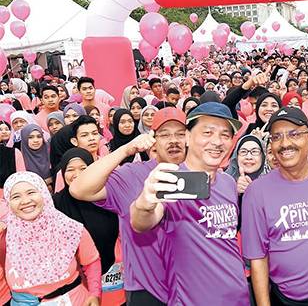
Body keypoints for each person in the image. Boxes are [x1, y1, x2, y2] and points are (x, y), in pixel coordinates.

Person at [130, 102, 250, 305]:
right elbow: (141, 222)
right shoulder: (172, 180)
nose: (217, 142)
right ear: (187, 136)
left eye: (225, 135)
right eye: (207, 132)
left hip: (239, 297)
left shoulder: (228, 183)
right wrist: (144, 203)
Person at [70, 107, 187, 305]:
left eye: (180, 134)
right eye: (165, 135)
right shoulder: (130, 174)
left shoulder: (200, 175)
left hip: (192, 284)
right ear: (153, 140)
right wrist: (126, 149)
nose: (173, 140)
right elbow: (79, 189)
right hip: (146, 289)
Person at [241, 107, 308, 305]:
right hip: (287, 300)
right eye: (276, 137)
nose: (285, 143)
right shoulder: (256, 192)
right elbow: (258, 259)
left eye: (293, 134)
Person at [3, 171, 101, 305]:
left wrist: (94, 293)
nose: (25, 201)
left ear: (43, 193)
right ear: (8, 202)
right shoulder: (5, 238)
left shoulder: (69, 228)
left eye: (31, 192)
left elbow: (91, 261)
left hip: (74, 301)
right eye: (15, 196)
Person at [54, 148, 124, 306]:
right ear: (63, 173)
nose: (77, 174)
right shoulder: (55, 204)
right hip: (76, 282)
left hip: (113, 272)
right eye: (70, 169)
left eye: (84, 169)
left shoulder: (107, 197)